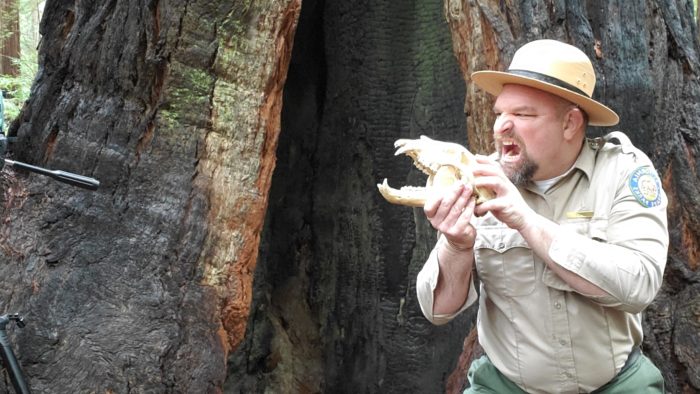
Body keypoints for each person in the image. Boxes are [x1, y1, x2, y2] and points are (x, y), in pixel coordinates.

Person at [416, 39, 668, 393]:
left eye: (522, 115)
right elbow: (437, 310)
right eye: (500, 113)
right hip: (506, 387)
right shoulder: (481, 179)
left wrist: (527, 222)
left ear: (570, 123)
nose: (501, 127)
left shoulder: (623, 172)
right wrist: (457, 246)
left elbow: (640, 285)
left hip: (616, 385)